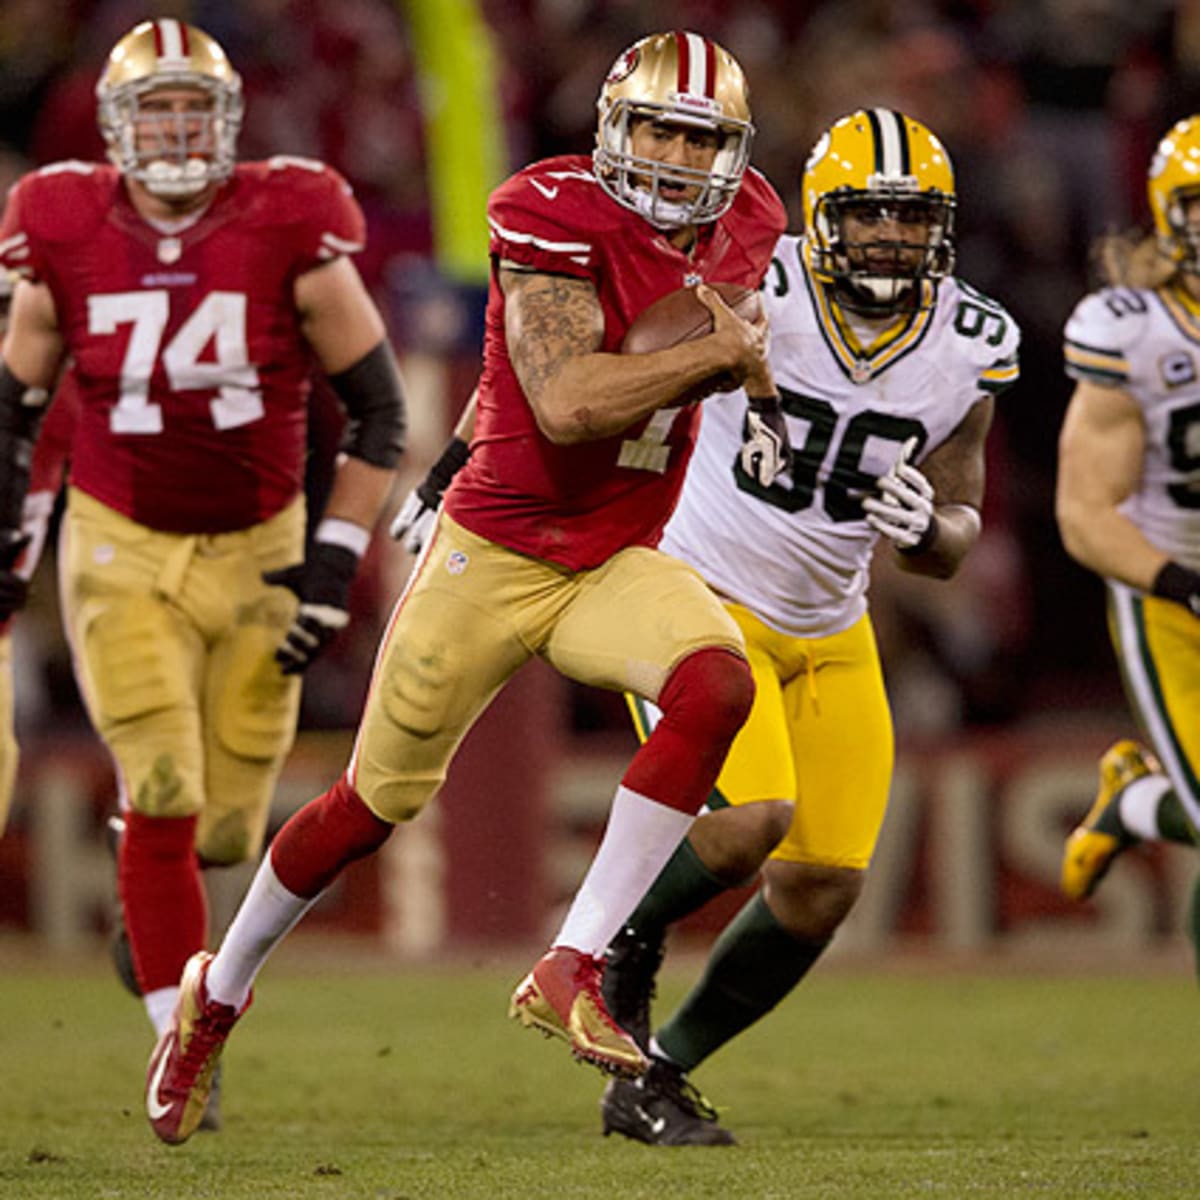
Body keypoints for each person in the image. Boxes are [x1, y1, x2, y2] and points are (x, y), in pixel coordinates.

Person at [142, 29, 789, 1147]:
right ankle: (219, 992)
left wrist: (730, 359)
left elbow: (664, 335)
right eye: (659, 131)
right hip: (496, 554)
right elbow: (573, 399)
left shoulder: (756, 217)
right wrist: (728, 356)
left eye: (700, 137)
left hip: (615, 557)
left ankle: (572, 961)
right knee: (368, 807)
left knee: (716, 687)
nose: (679, 159)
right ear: (611, 132)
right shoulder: (546, 206)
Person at [393, 107, 1019, 1145]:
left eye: (913, 223)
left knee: (819, 890)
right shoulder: (744, 279)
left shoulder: (971, 341)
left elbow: (958, 524)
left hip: (831, 625)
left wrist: (931, 525)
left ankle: (655, 1075)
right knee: (744, 824)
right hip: (701, 592)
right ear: (819, 220)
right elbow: (552, 362)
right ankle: (617, 944)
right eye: (869, 219)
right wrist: (457, 465)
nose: (890, 244)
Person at [0, 16, 406, 1126]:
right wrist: (12, 529)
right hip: (119, 542)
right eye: (156, 111)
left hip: (264, 547)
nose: (176, 132)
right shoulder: (60, 219)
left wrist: (332, 562)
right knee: (164, 789)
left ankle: (155, 904)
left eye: (193, 110)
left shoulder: (289, 218)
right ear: (116, 129)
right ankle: (182, 1053)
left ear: (227, 124)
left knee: (226, 831)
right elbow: (13, 403)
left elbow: (377, 411)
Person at [1057, 116, 1200, 950]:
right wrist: (1185, 584)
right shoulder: (1135, 330)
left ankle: (1134, 802)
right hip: (1171, 592)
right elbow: (1084, 513)